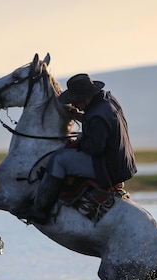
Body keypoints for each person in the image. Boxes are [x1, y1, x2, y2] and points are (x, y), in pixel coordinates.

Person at [21, 73, 137, 224]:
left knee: (59, 159)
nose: (74, 105)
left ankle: (39, 210)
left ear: (86, 97)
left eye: (75, 101)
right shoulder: (107, 100)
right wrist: (79, 116)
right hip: (120, 162)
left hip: (108, 167)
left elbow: (94, 148)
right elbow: (101, 125)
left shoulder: (97, 115)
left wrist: (80, 140)